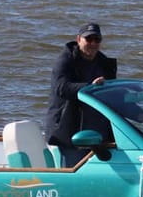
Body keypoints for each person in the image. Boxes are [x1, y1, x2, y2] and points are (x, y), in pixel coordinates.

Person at [44, 23, 117, 167]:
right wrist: (90, 86)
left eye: (97, 40)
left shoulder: (105, 63)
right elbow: (61, 88)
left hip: (98, 132)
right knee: (73, 175)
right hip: (70, 130)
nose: (93, 43)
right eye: (89, 39)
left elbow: (111, 94)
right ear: (78, 39)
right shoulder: (65, 60)